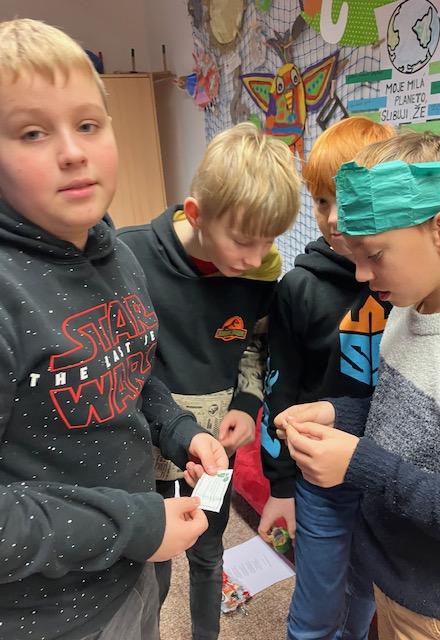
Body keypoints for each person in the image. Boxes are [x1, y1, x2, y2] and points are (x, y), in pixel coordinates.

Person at [0, 18, 228, 640]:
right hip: (49, 617)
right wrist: (139, 526)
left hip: (130, 573)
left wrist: (180, 432)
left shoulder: (118, 256)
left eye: (87, 125)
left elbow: (128, 371)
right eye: (32, 132)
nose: (72, 151)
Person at [279, 132, 440, 638]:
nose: (361, 275)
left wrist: (359, 464)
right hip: (388, 576)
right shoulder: (406, 309)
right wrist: (338, 414)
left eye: (374, 255)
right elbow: (406, 425)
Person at [118, 122, 301, 639]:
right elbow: (122, 364)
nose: (256, 257)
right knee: (152, 563)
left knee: (207, 551)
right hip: (146, 447)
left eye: (269, 241)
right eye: (243, 241)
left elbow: (256, 344)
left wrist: (247, 402)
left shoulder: (259, 269)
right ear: (197, 215)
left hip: (215, 452)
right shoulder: (128, 257)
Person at [258, 117, 395, 640]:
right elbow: (280, 388)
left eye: (348, 199)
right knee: (317, 609)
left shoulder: (405, 283)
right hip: (319, 481)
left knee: (362, 596)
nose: (333, 218)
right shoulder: (298, 288)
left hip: (383, 475)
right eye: (320, 201)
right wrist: (280, 485)